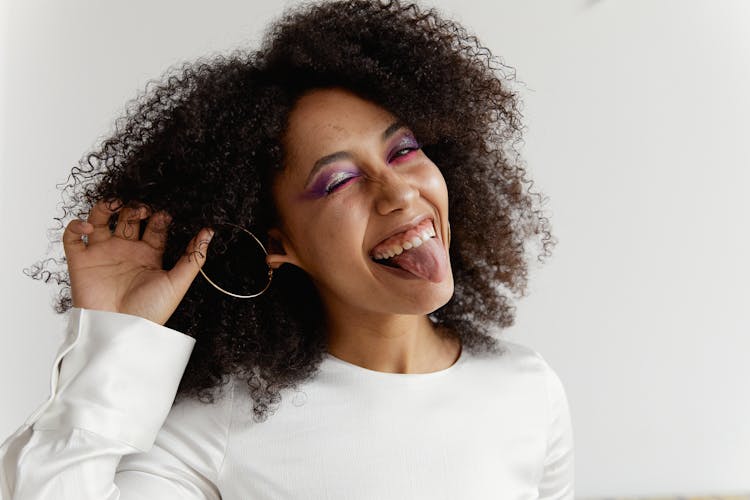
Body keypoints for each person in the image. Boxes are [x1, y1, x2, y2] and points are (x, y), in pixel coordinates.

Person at [0, 0, 573, 498]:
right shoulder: (222, 425)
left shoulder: (528, 389)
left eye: (402, 150)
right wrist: (113, 337)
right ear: (278, 242)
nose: (399, 192)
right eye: (338, 181)